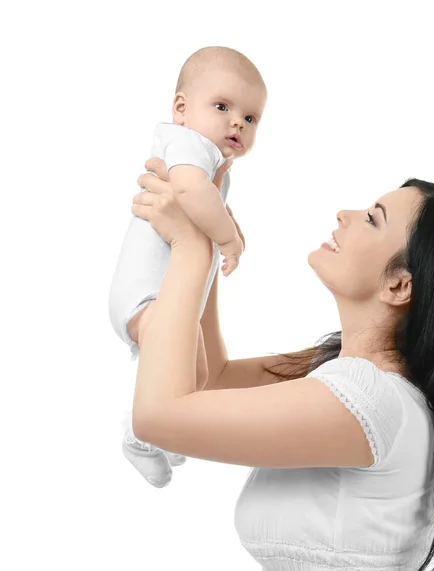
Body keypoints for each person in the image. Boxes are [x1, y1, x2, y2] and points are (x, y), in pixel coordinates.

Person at [128, 159, 434, 571]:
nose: (345, 215)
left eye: (371, 219)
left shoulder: (370, 399)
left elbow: (157, 417)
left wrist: (190, 250)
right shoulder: (345, 374)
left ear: (399, 285)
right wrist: (206, 227)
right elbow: (213, 381)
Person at [107, 46, 267, 487]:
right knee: (175, 367)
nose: (238, 122)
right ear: (181, 108)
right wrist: (229, 239)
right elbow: (192, 193)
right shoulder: (186, 144)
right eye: (222, 107)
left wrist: (225, 225)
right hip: (147, 291)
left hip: (170, 294)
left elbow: (205, 202)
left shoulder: (213, 163)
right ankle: (143, 433)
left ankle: (163, 432)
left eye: (251, 118)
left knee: (192, 377)